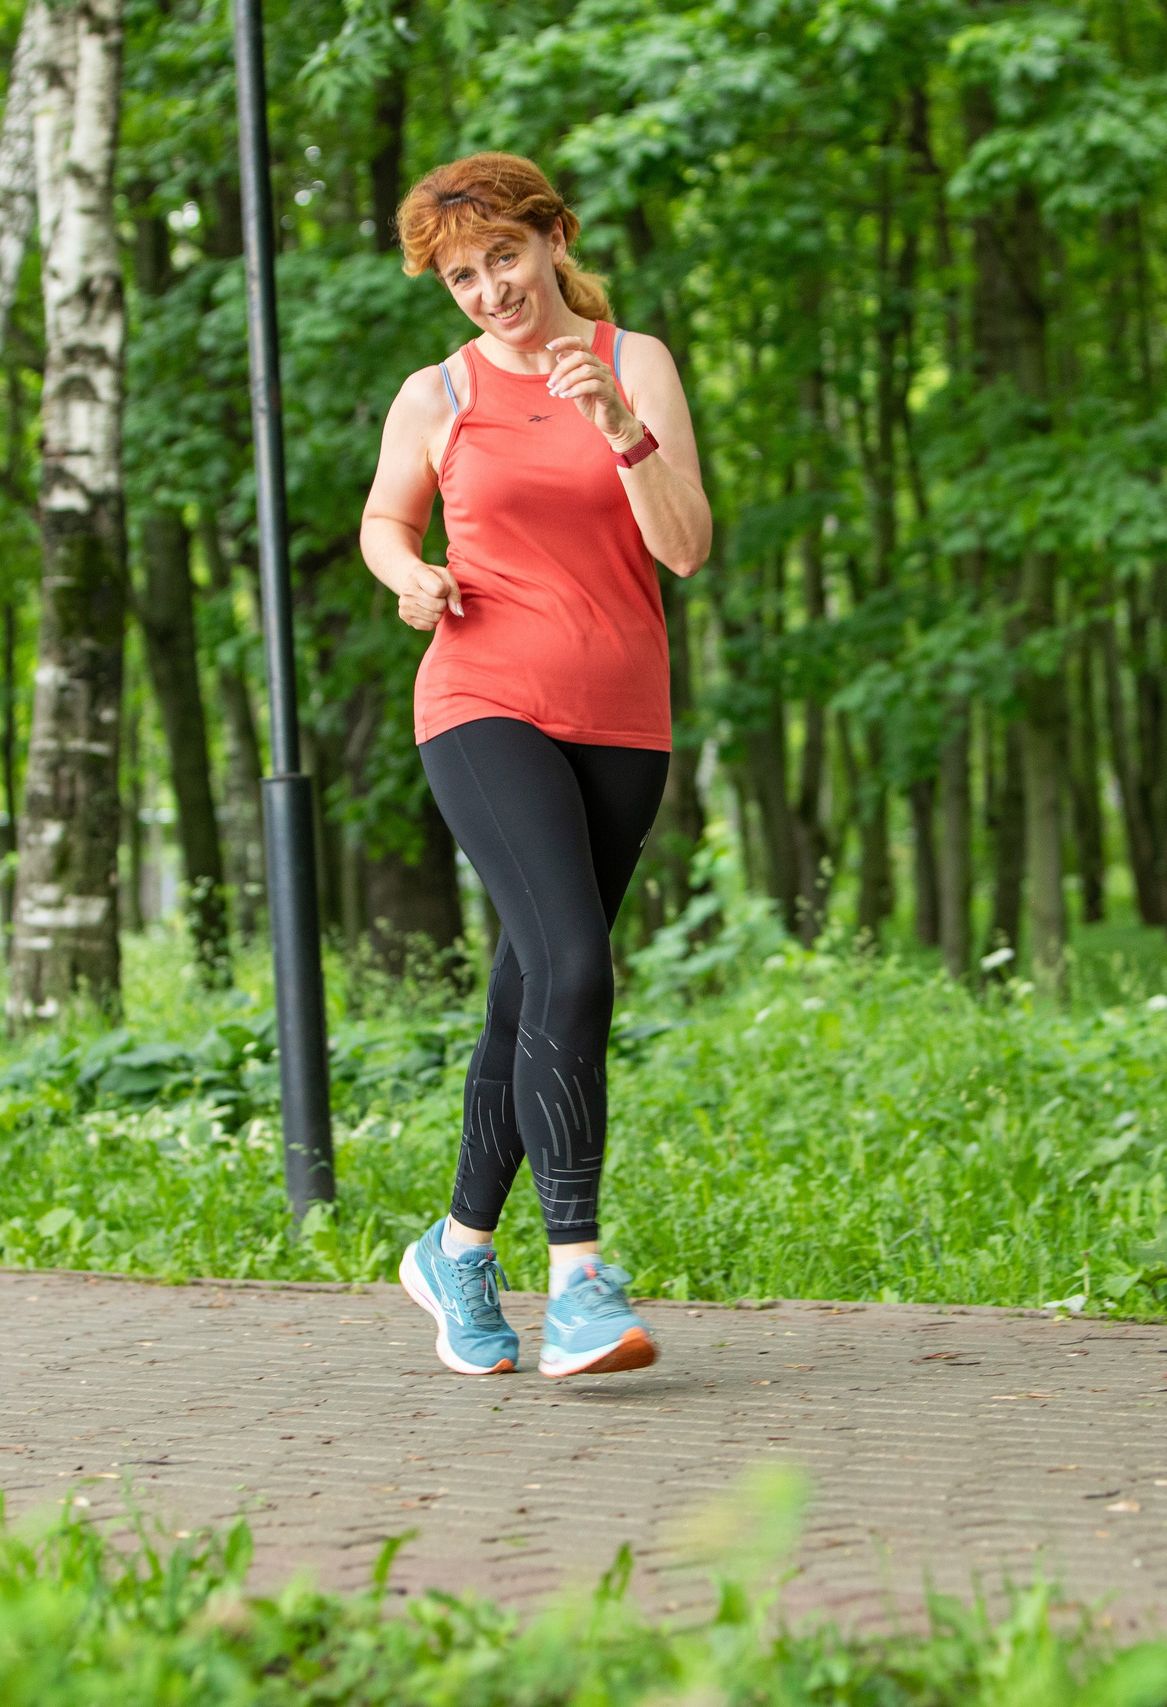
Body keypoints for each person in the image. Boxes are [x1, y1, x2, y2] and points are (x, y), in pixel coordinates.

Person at [360, 153, 712, 1378]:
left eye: (503, 257)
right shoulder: (437, 394)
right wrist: (410, 575)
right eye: (461, 276)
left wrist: (621, 431)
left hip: (622, 717)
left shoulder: (634, 362)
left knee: (531, 991)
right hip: (481, 698)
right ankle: (577, 1281)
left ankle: (456, 1249)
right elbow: (384, 521)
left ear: (555, 237)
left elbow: (686, 548)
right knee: (574, 965)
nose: (489, 290)